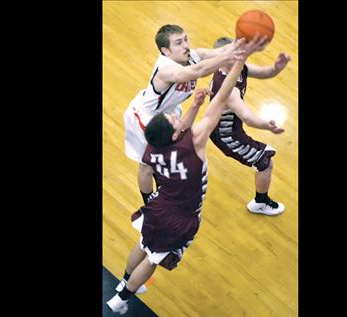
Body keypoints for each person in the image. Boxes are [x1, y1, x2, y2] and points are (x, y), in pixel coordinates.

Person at [107, 35, 268, 315]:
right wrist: (239, 60)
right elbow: (220, 100)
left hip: (158, 206)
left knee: (144, 244)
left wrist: (193, 106)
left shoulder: (153, 149)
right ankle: (122, 297)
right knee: (154, 258)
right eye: (172, 118)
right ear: (174, 133)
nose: (175, 116)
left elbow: (151, 163)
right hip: (180, 216)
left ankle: (124, 280)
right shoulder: (194, 142)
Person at [124, 24, 246, 206]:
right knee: (147, 165)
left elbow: (217, 52)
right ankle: (149, 204)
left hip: (170, 113)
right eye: (179, 43)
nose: (186, 46)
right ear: (166, 51)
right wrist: (226, 56)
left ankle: (168, 189)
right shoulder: (166, 70)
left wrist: (242, 43)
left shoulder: (191, 56)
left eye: (186, 39)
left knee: (171, 156)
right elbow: (197, 71)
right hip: (146, 118)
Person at [208, 37, 291, 216]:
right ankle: (260, 203)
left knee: (262, 158)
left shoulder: (239, 67)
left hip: (232, 128)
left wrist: (276, 67)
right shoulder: (227, 88)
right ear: (221, 58)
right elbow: (247, 117)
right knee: (265, 162)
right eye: (232, 54)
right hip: (226, 135)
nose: (238, 57)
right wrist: (267, 126)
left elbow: (262, 72)